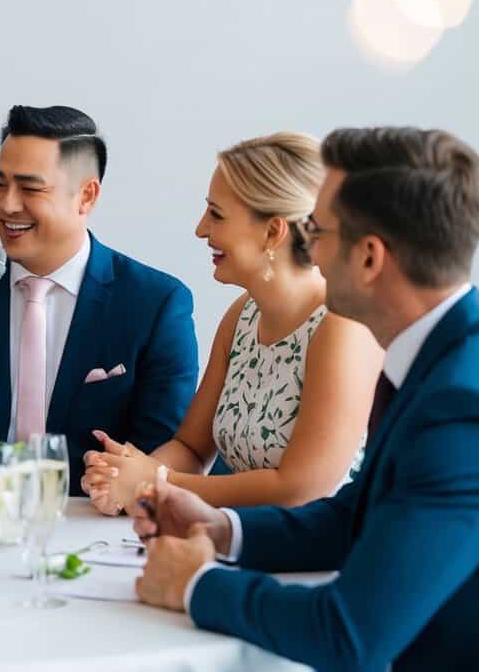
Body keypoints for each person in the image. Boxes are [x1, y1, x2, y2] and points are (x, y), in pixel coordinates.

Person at [131, 127, 479, 671]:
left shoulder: (465, 408)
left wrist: (196, 585)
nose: (311, 249)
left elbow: (349, 635)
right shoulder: (442, 359)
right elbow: (357, 517)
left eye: (320, 232)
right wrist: (221, 528)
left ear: (369, 257)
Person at [0, 105, 200, 494]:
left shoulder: (155, 304)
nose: (6, 204)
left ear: (86, 196)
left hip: (92, 524)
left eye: (30, 188)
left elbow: (159, 453)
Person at [82, 134, 381, 512]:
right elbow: (190, 447)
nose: (201, 229)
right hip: (236, 540)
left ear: (273, 232)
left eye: (217, 214)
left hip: (313, 556)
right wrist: (122, 475)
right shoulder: (243, 314)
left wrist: (155, 483)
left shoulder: (342, 327)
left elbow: (300, 489)